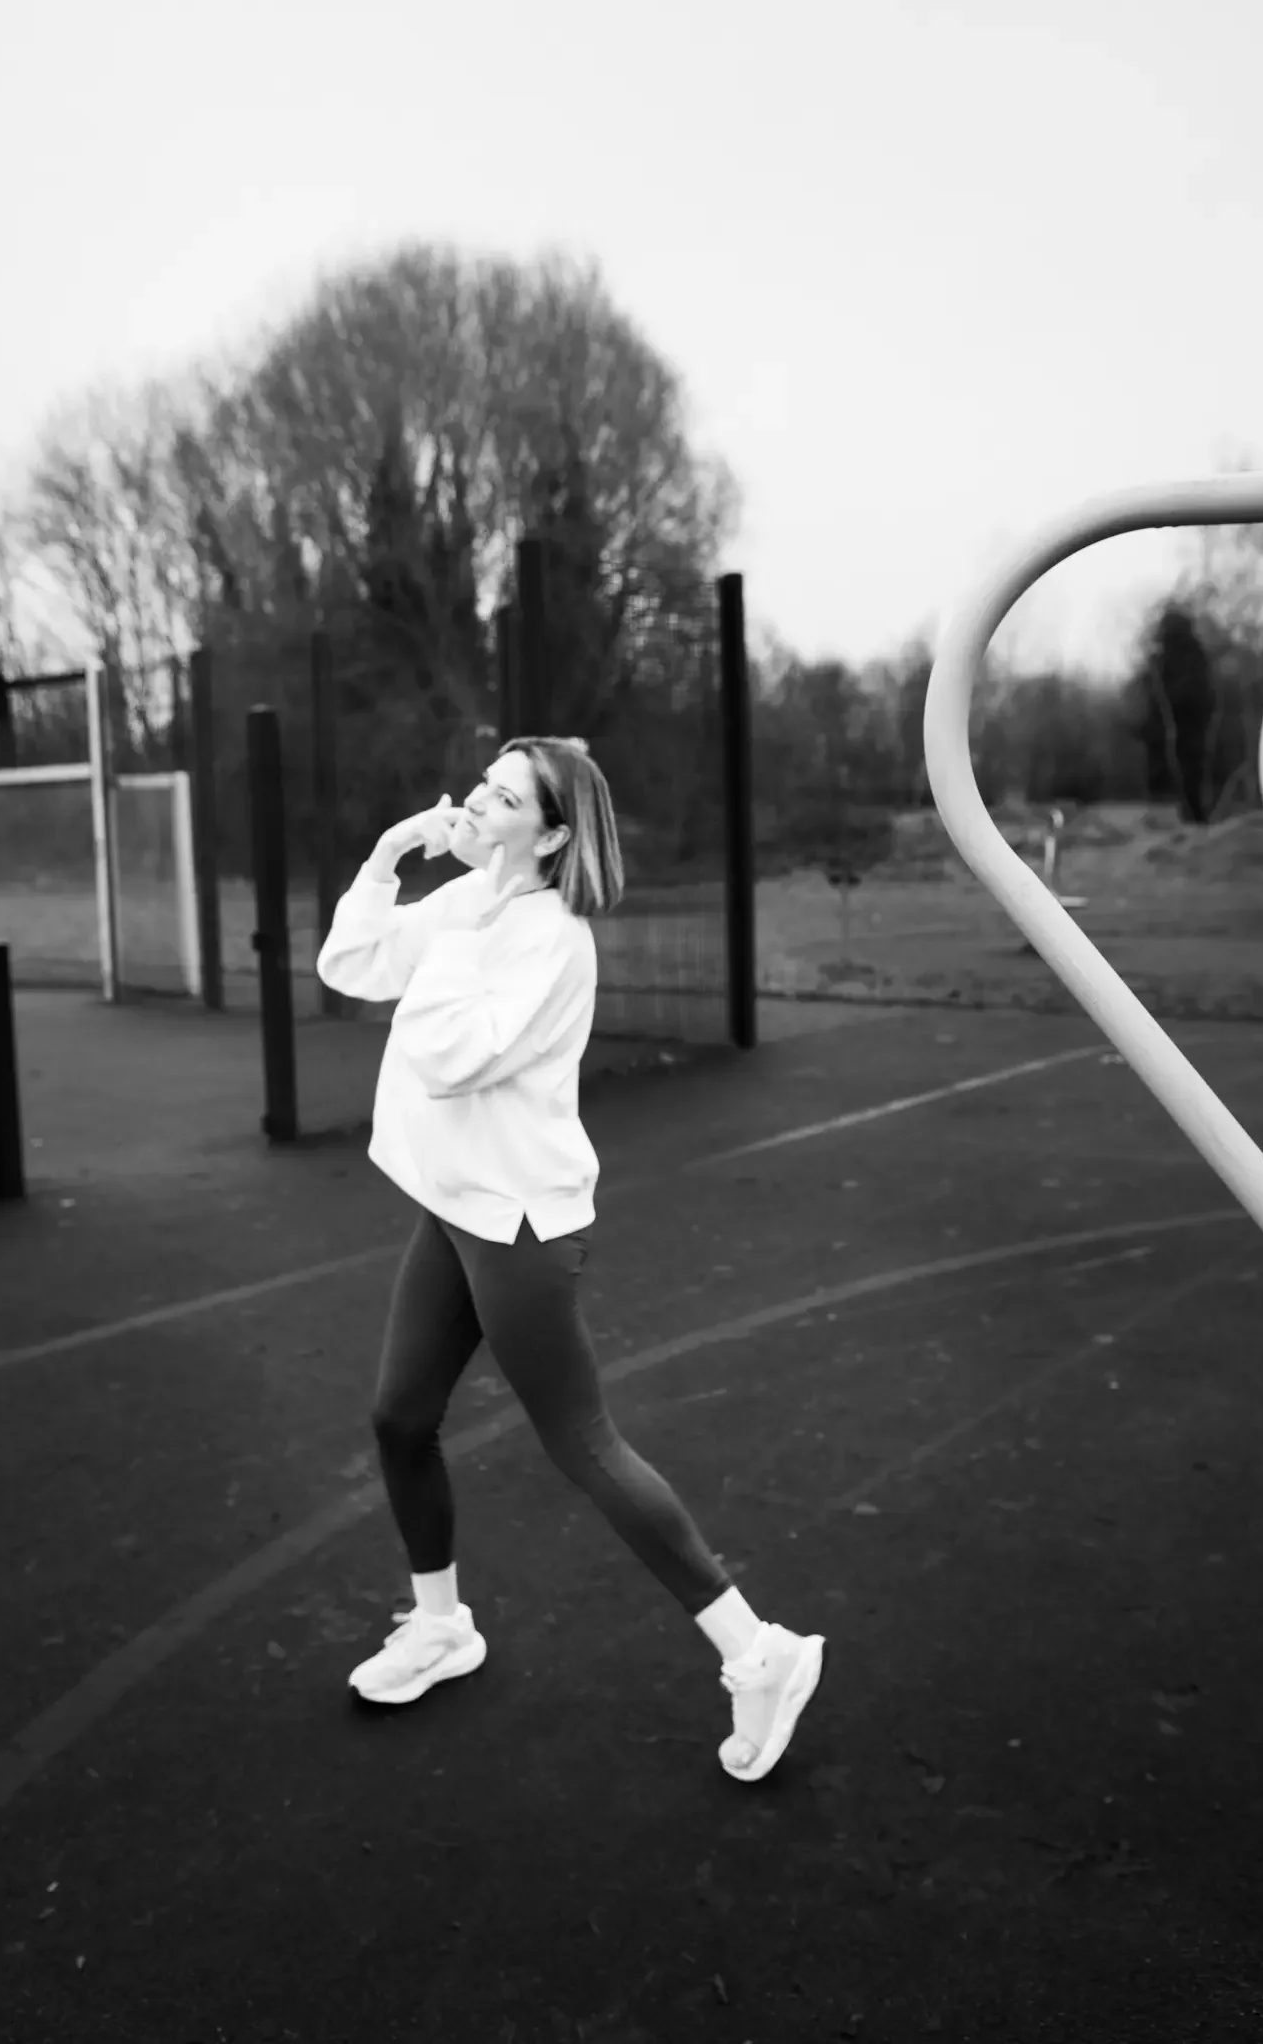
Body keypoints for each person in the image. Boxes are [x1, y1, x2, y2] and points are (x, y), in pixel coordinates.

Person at [316, 734, 824, 1782]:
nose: (475, 805)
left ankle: (758, 1650)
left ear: (549, 837)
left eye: (504, 800)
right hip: (456, 1204)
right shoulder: (473, 902)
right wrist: (390, 857)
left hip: (519, 1224)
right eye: (482, 786)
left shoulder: (550, 942)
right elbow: (352, 965)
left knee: (582, 1442)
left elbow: (448, 1058)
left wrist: (468, 916)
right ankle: (442, 1625)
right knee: (400, 1417)